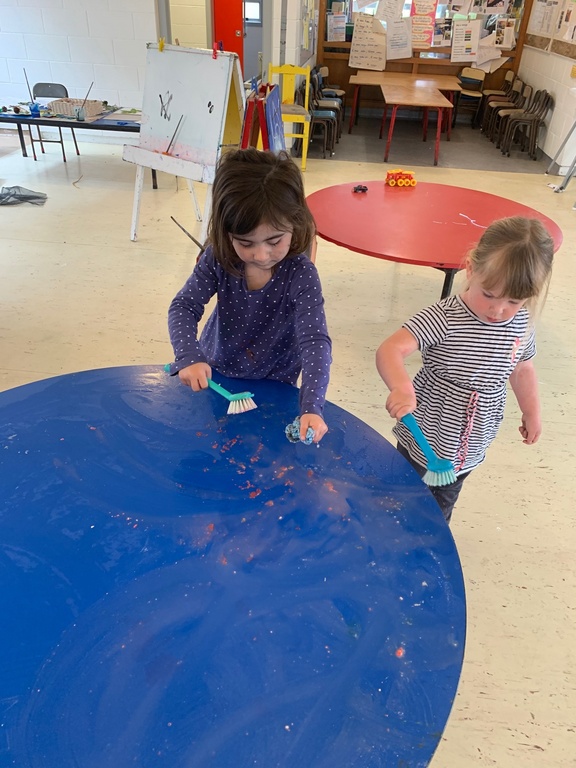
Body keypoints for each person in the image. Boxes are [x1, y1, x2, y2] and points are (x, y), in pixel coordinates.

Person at [375, 216, 554, 523]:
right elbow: (390, 349)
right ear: (471, 269)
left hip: (470, 442)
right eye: (489, 294)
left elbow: (522, 367)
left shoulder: (522, 322)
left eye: (514, 301)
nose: (498, 310)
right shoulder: (445, 317)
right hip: (426, 432)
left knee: (443, 504)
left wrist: (531, 411)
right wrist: (401, 387)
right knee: (402, 495)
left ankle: (433, 538)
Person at [167, 147, 332, 443]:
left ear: (295, 224)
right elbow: (184, 306)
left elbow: (315, 341)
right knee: (216, 443)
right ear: (226, 232)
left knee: (266, 451)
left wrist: (312, 406)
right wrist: (188, 354)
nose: (261, 254)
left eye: (274, 241)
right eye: (245, 243)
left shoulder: (301, 273)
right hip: (217, 372)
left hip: (276, 380)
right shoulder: (218, 258)